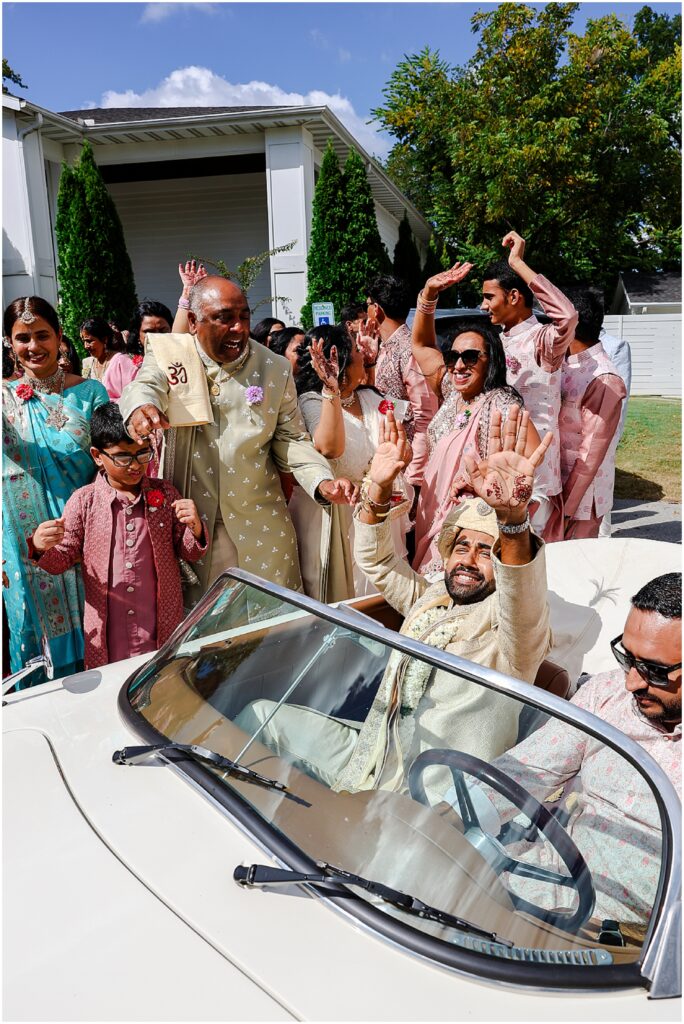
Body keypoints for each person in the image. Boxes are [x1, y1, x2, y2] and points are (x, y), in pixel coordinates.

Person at [236, 407, 553, 794]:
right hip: (369, 755)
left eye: (487, 552)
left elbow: (523, 602)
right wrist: (379, 489)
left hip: (431, 797)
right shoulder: (434, 598)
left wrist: (512, 519)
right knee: (257, 715)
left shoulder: (513, 637)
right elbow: (378, 561)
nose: (468, 560)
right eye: (461, 546)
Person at [119, 275, 355, 606]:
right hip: (194, 527)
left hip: (263, 528)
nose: (239, 328)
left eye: (244, 316)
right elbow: (145, 383)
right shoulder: (172, 354)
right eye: (224, 318)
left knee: (273, 630)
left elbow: (290, 438)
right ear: (193, 321)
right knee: (206, 635)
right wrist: (142, 406)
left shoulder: (273, 367)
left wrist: (321, 480)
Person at [463, 572, 681, 928]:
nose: (632, 682)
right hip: (542, 886)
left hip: (638, 942)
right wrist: (445, 814)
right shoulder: (606, 694)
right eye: (627, 658)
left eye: (655, 671)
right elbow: (528, 770)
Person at [28, 403, 208, 670]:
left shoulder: (165, 494)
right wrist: (40, 546)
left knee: (160, 685)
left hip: (160, 629)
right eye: (123, 457)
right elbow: (61, 561)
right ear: (97, 456)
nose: (135, 465)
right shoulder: (84, 501)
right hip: (108, 637)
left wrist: (195, 527)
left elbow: (190, 552)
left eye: (142, 454)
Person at [2, 296, 108, 682]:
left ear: (60, 337)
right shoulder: (4, 398)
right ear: (9, 344)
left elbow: (110, 462)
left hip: (85, 533)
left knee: (98, 629)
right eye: (22, 338)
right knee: (32, 631)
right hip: (22, 543)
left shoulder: (90, 393)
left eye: (42, 335)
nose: (33, 346)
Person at [288, 325, 413, 601]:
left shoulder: (372, 399)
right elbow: (330, 449)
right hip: (338, 516)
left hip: (382, 509)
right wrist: (331, 390)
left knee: (387, 594)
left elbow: (401, 447)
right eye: (356, 351)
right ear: (341, 359)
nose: (363, 356)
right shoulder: (311, 402)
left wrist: (402, 457)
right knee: (348, 598)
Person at [412, 319, 541, 576]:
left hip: (470, 517)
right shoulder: (454, 392)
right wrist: (428, 295)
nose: (459, 365)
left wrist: (480, 479)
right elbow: (421, 345)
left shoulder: (501, 400)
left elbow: (532, 458)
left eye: (470, 357)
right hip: (433, 508)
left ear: (490, 360)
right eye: (452, 357)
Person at [477, 232, 578, 541]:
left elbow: (568, 316)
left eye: (489, 297)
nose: (483, 306)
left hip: (536, 473)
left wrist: (518, 263)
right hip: (498, 464)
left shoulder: (541, 340)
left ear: (514, 297)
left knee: (536, 554)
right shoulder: (495, 340)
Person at [559, 288, 627, 539]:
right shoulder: (569, 364)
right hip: (560, 493)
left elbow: (590, 454)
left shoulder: (604, 379)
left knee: (575, 569)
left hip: (580, 502)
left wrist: (566, 508)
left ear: (568, 324)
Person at [366, 274, 441, 489]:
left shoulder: (409, 350)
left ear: (377, 309)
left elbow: (425, 417)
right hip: (386, 458)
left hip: (407, 467)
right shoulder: (382, 347)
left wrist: (414, 478)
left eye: (368, 305)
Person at [597, 324, 632, 537]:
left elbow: (621, 398)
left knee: (600, 498)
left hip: (603, 433)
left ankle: (603, 545)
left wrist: (612, 438)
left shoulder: (615, 346)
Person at [81, 317, 139, 401]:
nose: (85, 346)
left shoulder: (122, 361)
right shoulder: (88, 363)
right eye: (84, 341)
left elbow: (134, 395)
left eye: (89, 341)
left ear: (104, 339)